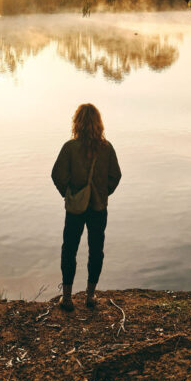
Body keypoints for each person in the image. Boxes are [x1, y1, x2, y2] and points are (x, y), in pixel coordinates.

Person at [51, 103, 122, 311]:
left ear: (77, 123)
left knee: (69, 249)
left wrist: (70, 194)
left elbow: (57, 175)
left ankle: (67, 298)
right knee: (96, 250)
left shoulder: (70, 148)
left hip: (75, 208)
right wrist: (102, 193)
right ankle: (90, 296)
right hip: (98, 208)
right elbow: (115, 176)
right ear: (98, 124)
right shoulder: (107, 148)